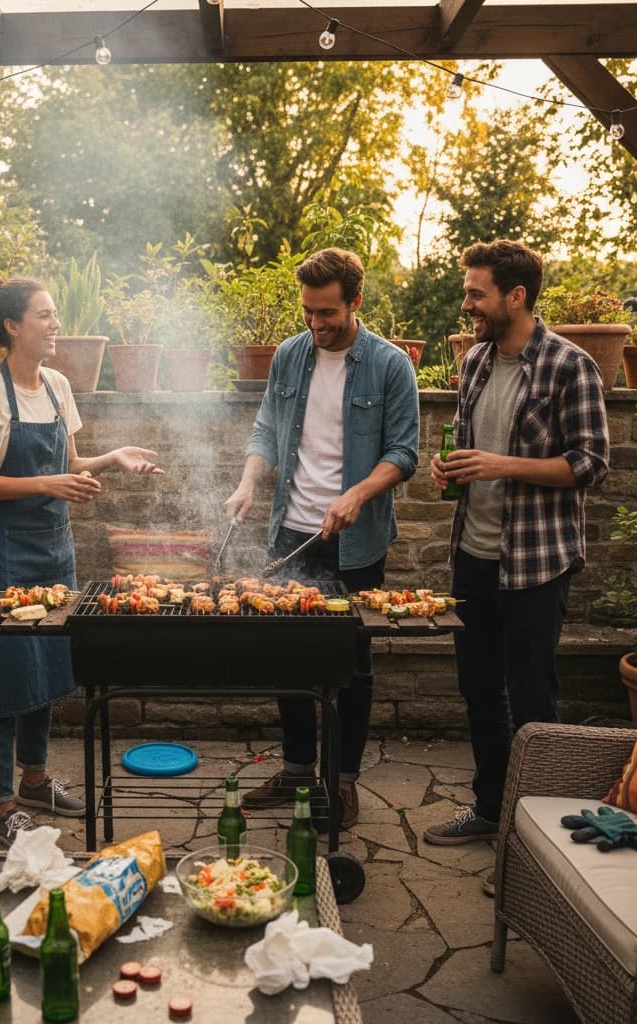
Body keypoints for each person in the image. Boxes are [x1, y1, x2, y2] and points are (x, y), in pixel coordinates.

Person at [0, 274, 163, 847]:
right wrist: (48, 482)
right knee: (2, 673)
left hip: (54, 546)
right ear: (12, 325)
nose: (56, 324)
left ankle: (35, 781)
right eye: (44, 315)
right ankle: (0, 808)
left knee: (46, 667)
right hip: (3, 551)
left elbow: (69, 464)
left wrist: (112, 458)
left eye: (54, 314)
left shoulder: (56, 386)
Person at [423, 239, 609, 853]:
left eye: (477, 294)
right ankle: (489, 808)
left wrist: (503, 464)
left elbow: (591, 462)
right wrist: (447, 469)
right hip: (473, 556)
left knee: (532, 700)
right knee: (479, 692)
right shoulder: (476, 360)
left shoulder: (570, 365)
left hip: (536, 562)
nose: (466, 304)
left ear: (516, 296)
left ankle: (534, 838)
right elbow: (468, 445)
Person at [225, 248, 420, 830]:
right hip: (291, 530)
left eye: (327, 312)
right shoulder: (290, 354)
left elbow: (404, 452)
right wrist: (247, 482)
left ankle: (343, 781)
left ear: (355, 301)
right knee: (287, 656)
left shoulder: (390, 366)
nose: (315, 323)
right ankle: (295, 771)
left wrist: (358, 494)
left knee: (350, 665)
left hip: (355, 542)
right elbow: (266, 428)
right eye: (308, 311)